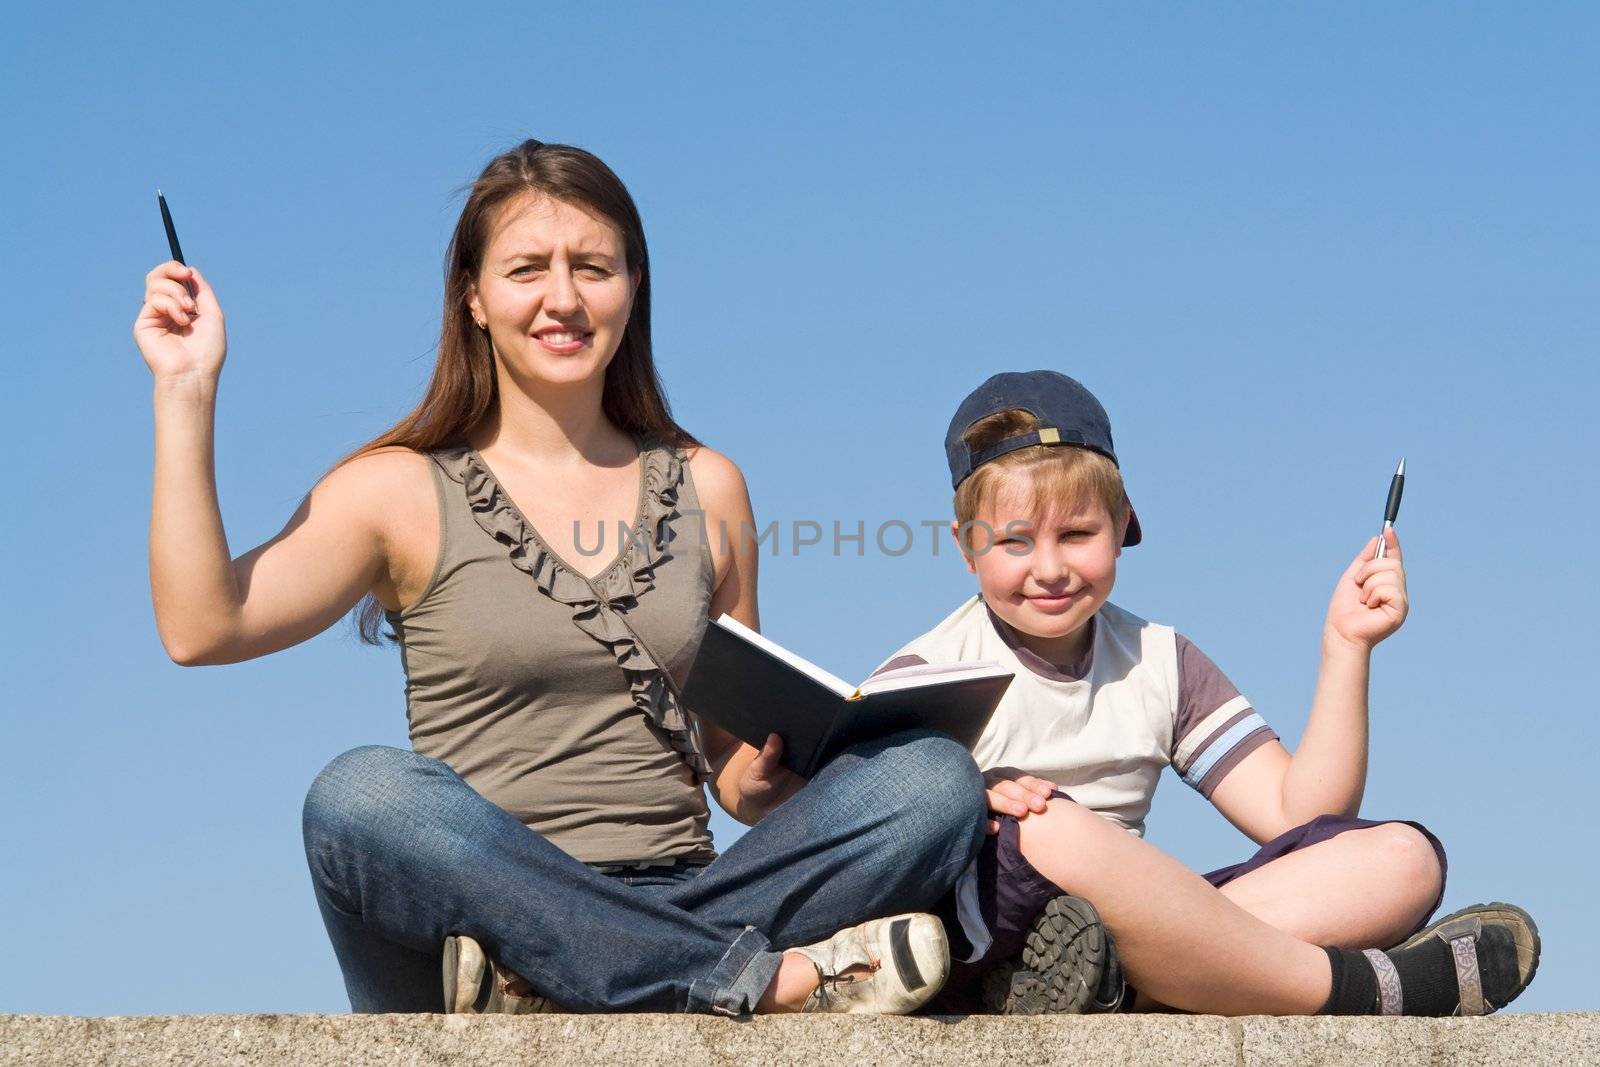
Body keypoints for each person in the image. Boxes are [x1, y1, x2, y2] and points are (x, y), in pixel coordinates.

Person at [132, 139, 984, 1016]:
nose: (563, 298)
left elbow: (726, 760)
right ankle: (737, 977)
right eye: (527, 268)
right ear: (473, 295)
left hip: (688, 895)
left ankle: (576, 981)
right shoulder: (397, 488)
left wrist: (753, 781)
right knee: (360, 796)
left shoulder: (709, 485)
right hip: (478, 912)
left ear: (634, 286)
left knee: (932, 780)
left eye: (593, 267)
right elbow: (202, 626)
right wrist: (185, 390)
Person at [874, 369, 1540, 1016]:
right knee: (1051, 823)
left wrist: (1346, 646)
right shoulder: (929, 669)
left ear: (1123, 524)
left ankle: (1119, 987)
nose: (1049, 568)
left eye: (1077, 534)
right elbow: (854, 841)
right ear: (967, 548)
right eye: (1015, 542)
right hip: (987, 930)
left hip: (1128, 929)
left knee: (1403, 858)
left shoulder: (1159, 659)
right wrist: (964, 792)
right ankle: (1359, 989)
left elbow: (1298, 814)